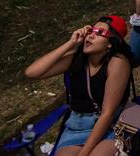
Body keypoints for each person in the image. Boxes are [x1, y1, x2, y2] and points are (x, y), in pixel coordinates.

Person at [24, 15, 132, 156]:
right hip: (77, 125)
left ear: (110, 43)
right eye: (90, 31)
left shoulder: (117, 62)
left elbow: (108, 113)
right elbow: (32, 72)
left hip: (110, 124)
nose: (91, 36)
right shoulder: (78, 58)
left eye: (99, 33)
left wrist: (83, 154)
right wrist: (71, 43)